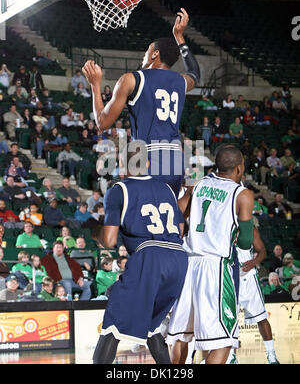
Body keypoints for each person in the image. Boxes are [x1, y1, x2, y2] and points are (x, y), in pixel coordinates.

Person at [82, 8, 200, 198]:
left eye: (147, 51)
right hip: (175, 159)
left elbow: (102, 123)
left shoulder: (131, 79)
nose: (144, 55)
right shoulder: (181, 81)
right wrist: (179, 37)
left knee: (138, 216)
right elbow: (195, 73)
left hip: (148, 157)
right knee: (168, 215)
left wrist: (95, 86)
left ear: (155, 54)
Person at [92, 143, 188, 364]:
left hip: (150, 256)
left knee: (112, 327)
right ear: (146, 163)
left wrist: (97, 233)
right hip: (177, 258)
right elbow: (181, 229)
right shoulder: (166, 188)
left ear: (122, 164)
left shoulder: (118, 190)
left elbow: (109, 241)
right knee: (152, 326)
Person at [166, 146, 254, 364]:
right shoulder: (242, 194)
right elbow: (245, 242)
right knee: (224, 340)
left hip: (188, 263)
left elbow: (177, 211)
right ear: (239, 168)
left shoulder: (198, 184)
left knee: (181, 334)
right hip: (215, 268)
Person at [233, 224, 279, 364]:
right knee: (229, 321)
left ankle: (271, 355)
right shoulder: (220, 221)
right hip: (229, 276)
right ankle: (230, 356)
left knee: (261, 317)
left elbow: (262, 251)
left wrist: (254, 262)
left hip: (248, 278)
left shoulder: (248, 227)